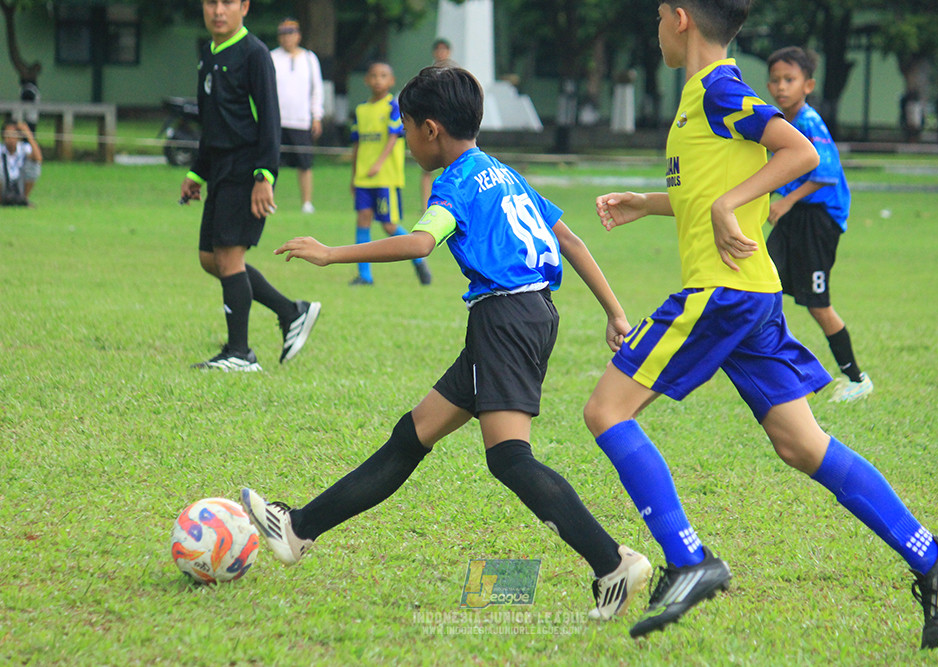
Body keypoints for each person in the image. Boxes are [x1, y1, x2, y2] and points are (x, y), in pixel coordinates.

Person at [583, 0, 938, 648]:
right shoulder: (700, 96)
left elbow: (799, 152)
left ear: (680, 17)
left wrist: (729, 204)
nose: (655, 30)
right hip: (754, 295)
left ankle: (687, 559)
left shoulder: (719, 89)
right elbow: (714, 184)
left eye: (657, 17)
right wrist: (649, 203)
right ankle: (933, 556)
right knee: (801, 443)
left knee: (606, 411)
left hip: (722, 293)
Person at [242, 65, 653, 621]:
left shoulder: (456, 182)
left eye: (406, 127)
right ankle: (297, 529)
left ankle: (612, 563)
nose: (405, 139)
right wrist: (615, 310)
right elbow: (570, 239)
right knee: (412, 435)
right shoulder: (502, 172)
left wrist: (332, 253)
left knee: (510, 458)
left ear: (430, 129)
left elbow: (419, 243)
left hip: (504, 318)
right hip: (528, 314)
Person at [180, 0, 321, 371]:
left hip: (245, 169)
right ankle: (291, 311)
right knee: (211, 259)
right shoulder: (208, 54)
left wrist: (264, 175)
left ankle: (240, 353)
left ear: (244, 6)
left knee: (229, 257)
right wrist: (197, 173)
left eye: (227, 2)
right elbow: (211, 122)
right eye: (211, 2)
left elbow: (271, 120)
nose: (218, 10)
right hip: (219, 169)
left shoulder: (255, 54)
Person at [765, 46, 872, 402]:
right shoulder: (780, 122)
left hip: (819, 218)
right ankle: (780, 371)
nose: (782, 87)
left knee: (817, 304)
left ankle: (856, 378)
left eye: (790, 79)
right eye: (775, 80)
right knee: (764, 283)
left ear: (808, 85)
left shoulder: (809, 121)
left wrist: (785, 201)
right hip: (797, 215)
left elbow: (824, 173)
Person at [349, 61, 431, 286]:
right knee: (363, 220)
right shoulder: (361, 111)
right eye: (374, 76)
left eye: (383, 76)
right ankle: (365, 276)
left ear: (391, 81)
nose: (378, 80)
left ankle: (419, 258)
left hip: (385, 177)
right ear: (366, 80)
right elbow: (357, 144)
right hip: (363, 178)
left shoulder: (393, 108)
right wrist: (354, 176)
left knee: (389, 226)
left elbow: (393, 138)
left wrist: (378, 164)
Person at [271, 18, 324, 214]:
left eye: (291, 33)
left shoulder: (309, 58)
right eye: (283, 33)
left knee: (305, 163)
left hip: (301, 120)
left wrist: (316, 116)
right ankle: (268, 199)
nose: (287, 38)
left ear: (298, 35)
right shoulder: (272, 57)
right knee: (271, 162)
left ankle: (307, 203)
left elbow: (316, 89)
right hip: (276, 120)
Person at [420, 39, 457, 210]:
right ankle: (426, 205)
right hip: (433, 121)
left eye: (444, 50)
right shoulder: (428, 74)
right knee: (427, 168)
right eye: (438, 50)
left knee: (452, 165)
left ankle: (449, 204)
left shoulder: (455, 72)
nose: (441, 53)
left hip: (450, 123)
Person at [1, 119, 41, 206]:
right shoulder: (1, 149)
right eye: (8, 134)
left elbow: (38, 159)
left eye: (13, 134)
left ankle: (23, 199)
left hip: (19, 183)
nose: (10, 138)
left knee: (34, 165)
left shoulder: (24, 148)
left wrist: (28, 134)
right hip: (4, 184)